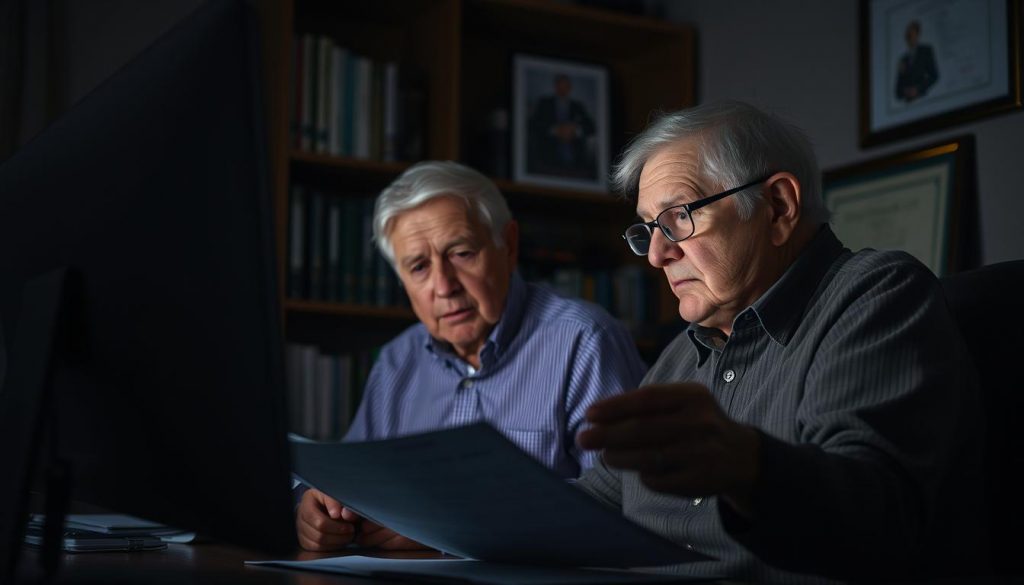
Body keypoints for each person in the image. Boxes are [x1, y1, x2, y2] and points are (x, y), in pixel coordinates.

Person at [574, 101, 985, 582]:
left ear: (778, 207)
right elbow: (602, 497)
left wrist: (749, 466)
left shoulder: (876, 297)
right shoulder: (683, 351)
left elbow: (878, 519)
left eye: (678, 217)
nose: (659, 254)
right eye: (649, 229)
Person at [296, 161, 646, 552]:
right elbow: (351, 483)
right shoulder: (397, 361)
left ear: (508, 245)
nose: (443, 286)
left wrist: (441, 525)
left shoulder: (584, 340)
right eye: (419, 267)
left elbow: (627, 503)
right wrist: (319, 507)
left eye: (461, 253)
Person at [527, 73, 597, 178]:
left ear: (569, 88)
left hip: (576, 162)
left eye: (566, 86)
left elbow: (591, 127)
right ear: (555, 87)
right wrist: (556, 130)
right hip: (547, 159)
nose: (563, 89)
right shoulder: (545, 103)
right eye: (560, 86)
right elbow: (533, 125)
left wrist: (574, 130)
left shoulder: (577, 106)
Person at [895, 20, 939, 102]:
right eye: (908, 35)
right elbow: (898, 92)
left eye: (911, 34)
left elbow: (934, 76)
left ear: (917, 35)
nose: (909, 38)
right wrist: (905, 91)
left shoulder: (926, 51)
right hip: (908, 104)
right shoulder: (903, 59)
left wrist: (918, 89)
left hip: (924, 100)